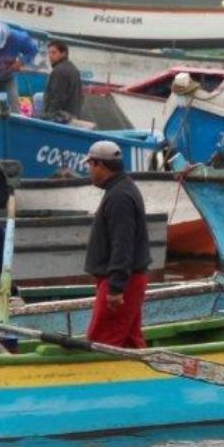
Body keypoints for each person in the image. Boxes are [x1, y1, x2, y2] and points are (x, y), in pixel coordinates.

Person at [83, 138, 151, 348]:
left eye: (90, 166)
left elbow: (123, 244)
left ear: (99, 165)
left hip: (123, 282)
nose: (89, 171)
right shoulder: (121, 189)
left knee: (103, 341)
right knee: (130, 341)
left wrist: (116, 288)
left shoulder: (119, 196)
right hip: (126, 279)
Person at [41, 39, 86, 124]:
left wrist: (46, 117)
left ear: (63, 54)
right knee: (39, 97)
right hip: (74, 112)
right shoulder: (72, 67)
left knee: (38, 99)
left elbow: (58, 97)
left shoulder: (60, 71)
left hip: (63, 115)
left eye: (54, 53)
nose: (50, 56)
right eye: (49, 53)